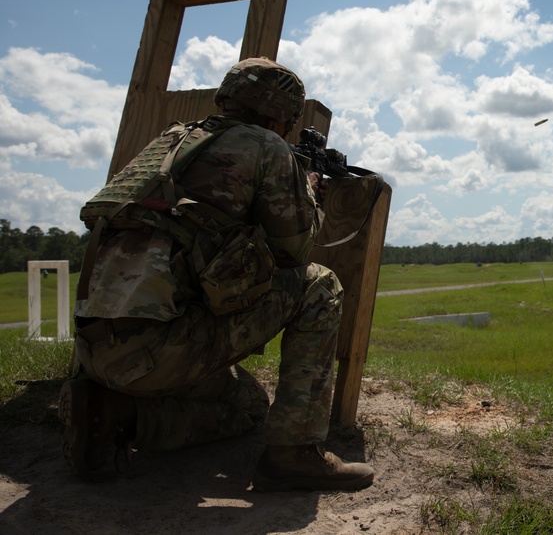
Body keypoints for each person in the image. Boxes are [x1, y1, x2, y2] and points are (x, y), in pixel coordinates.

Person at [59, 57, 374, 492]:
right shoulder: (266, 146)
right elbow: (296, 248)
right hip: (163, 351)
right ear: (282, 115)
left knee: (246, 400)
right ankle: (293, 454)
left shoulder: (169, 142)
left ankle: (113, 410)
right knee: (319, 284)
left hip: (94, 352)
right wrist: (308, 189)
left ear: (226, 97)